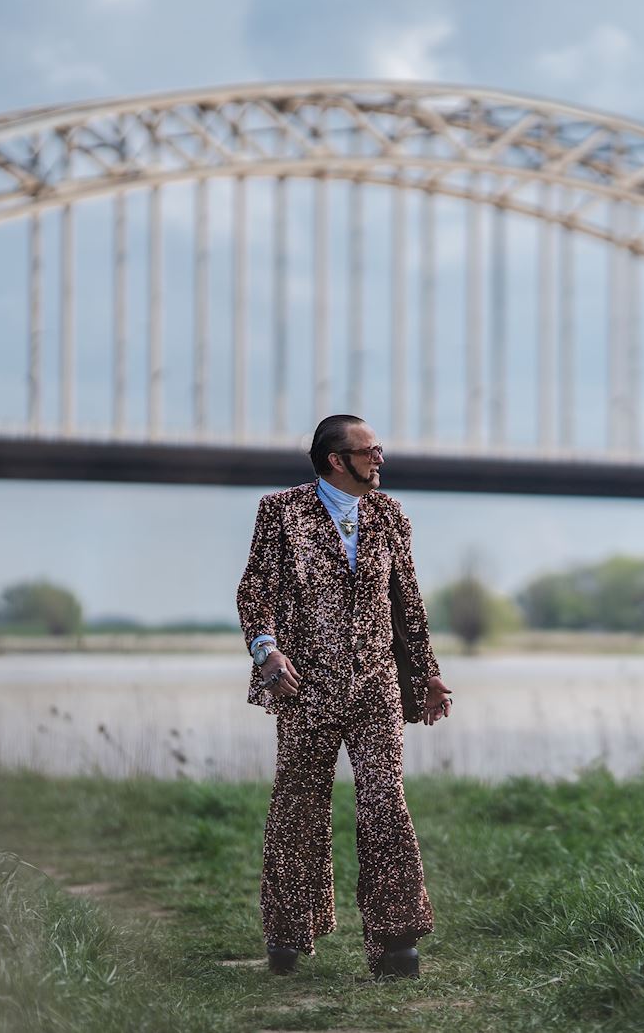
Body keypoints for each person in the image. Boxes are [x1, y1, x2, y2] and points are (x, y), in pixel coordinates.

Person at [236, 414, 453, 979]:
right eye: (371, 449)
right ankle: (286, 933)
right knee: (297, 807)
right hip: (304, 688)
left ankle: (397, 942)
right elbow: (255, 588)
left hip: (375, 684)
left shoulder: (390, 515)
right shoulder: (281, 511)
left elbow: (408, 601)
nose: (381, 458)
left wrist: (426, 674)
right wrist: (266, 651)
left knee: (386, 802)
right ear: (338, 459)